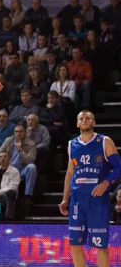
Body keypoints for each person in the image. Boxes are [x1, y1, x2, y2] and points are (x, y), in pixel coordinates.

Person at [59, 111, 120, 267]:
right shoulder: (72, 144)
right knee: (75, 243)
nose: (85, 120)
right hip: (77, 199)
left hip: (98, 200)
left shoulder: (104, 141)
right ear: (77, 124)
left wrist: (106, 183)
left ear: (94, 123)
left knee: (100, 244)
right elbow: (70, 173)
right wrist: (65, 199)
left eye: (89, 118)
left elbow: (119, 167)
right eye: (82, 118)